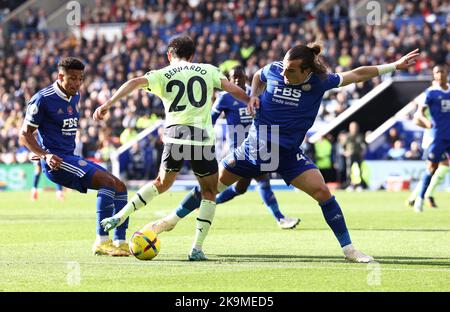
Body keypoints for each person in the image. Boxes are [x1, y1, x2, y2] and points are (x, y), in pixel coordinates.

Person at [141, 44, 419, 263]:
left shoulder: (321, 81)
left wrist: (393, 65)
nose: (285, 75)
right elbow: (258, 76)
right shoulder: (274, 69)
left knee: (323, 192)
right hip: (253, 148)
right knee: (210, 188)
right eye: (284, 69)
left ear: (307, 70)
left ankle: (349, 250)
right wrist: (253, 95)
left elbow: (357, 74)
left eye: (291, 71)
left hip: (287, 154)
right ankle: (169, 222)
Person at [96, 35, 251, 261]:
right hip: (201, 137)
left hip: (175, 135)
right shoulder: (207, 70)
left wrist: (108, 104)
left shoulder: (162, 74)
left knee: (162, 183)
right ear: (192, 55)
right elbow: (231, 89)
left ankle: (120, 216)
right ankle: (196, 248)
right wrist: (251, 101)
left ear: (170, 55)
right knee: (208, 192)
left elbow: (134, 82)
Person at [19, 57, 130, 257]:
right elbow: (24, 134)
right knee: (107, 183)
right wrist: (44, 155)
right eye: (72, 79)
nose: (77, 84)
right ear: (60, 76)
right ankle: (101, 241)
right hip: (57, 163)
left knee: (120, 186)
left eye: (80, 79)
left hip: (70, 157)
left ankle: (120, 241)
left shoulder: (75, 95)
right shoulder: (42, 99)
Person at [208, 65, 299, 229]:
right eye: (233, 77)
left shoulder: (255, 93)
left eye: (239, 77)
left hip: (258, 142)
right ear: (229, 80)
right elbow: (211, 119)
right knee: (262, 179)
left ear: (245, 77)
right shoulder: (225, 97)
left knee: (241, 188)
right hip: (238, 148)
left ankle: (206, 203)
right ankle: (280, 218)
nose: (236, 80)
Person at [410, 65, 450, 212]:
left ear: (446, 73)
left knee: (444, 167)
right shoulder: (431, 93)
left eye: (441, 72)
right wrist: (426, 122)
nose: (439, 75)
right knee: (432, 168)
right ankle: (419, 198)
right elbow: (419, 114)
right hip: (437, 137)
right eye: (436, 73)